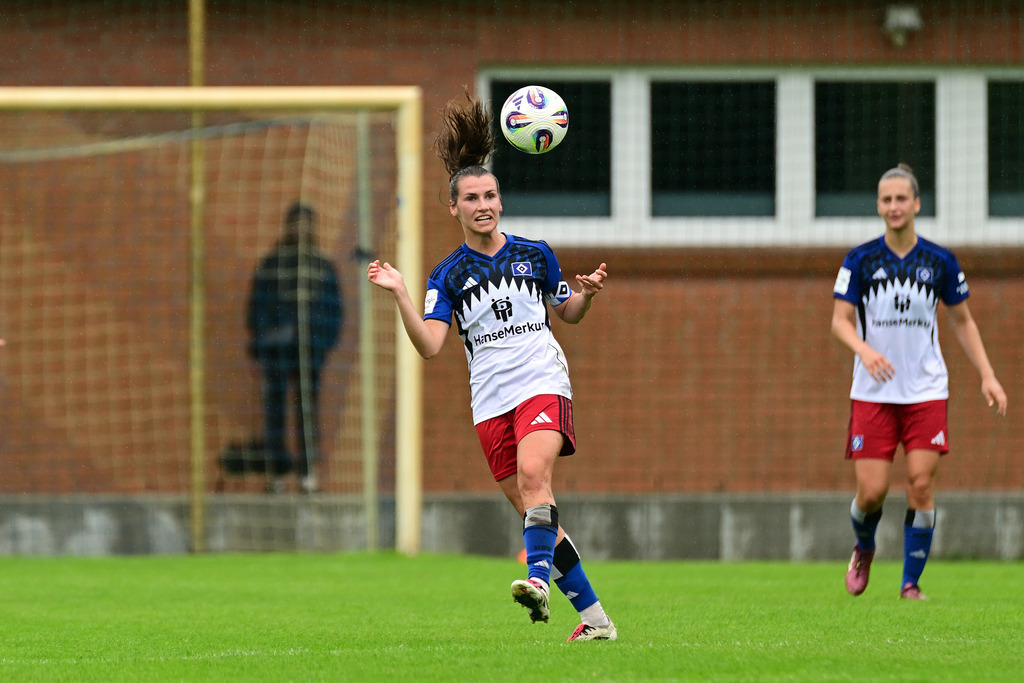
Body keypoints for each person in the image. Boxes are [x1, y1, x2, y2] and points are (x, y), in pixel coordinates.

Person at [366, 92, 616, 641]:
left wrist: (587, 295)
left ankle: (536, 582)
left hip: (543, 383)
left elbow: (566, 313)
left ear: (502, 201)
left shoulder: (534, 254)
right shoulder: (446, 276)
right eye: (472, 198)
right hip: (490, 403)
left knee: (535, 478)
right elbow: (431, 346)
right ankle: (596, 621)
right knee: (535, 507)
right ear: (453, 208)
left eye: (492, 196)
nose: (484, 205)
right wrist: (403, 294)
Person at [831, 163, 1007, 600]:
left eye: (901, 199)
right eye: (886, 200)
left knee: (921, 484)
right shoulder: (860, 260)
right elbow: (839, 321)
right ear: (878, 206)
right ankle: (865, 547)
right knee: (871, 493)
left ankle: (911, 583)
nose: (894, 206)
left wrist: (988, 375)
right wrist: (866, 351)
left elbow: (963, 321)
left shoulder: (940, 261)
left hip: (926, 391)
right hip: (872, 394)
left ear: (916, 204)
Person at [247, 201, 343, 493]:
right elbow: (256, 310)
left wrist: (320, 345)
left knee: (306, 413)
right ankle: (276, 475)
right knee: (275, 413)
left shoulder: (322, 268)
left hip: (310, 353)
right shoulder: (271, 265)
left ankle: (307, 474)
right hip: (277, 354)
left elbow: (334, 313)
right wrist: (267, 339)